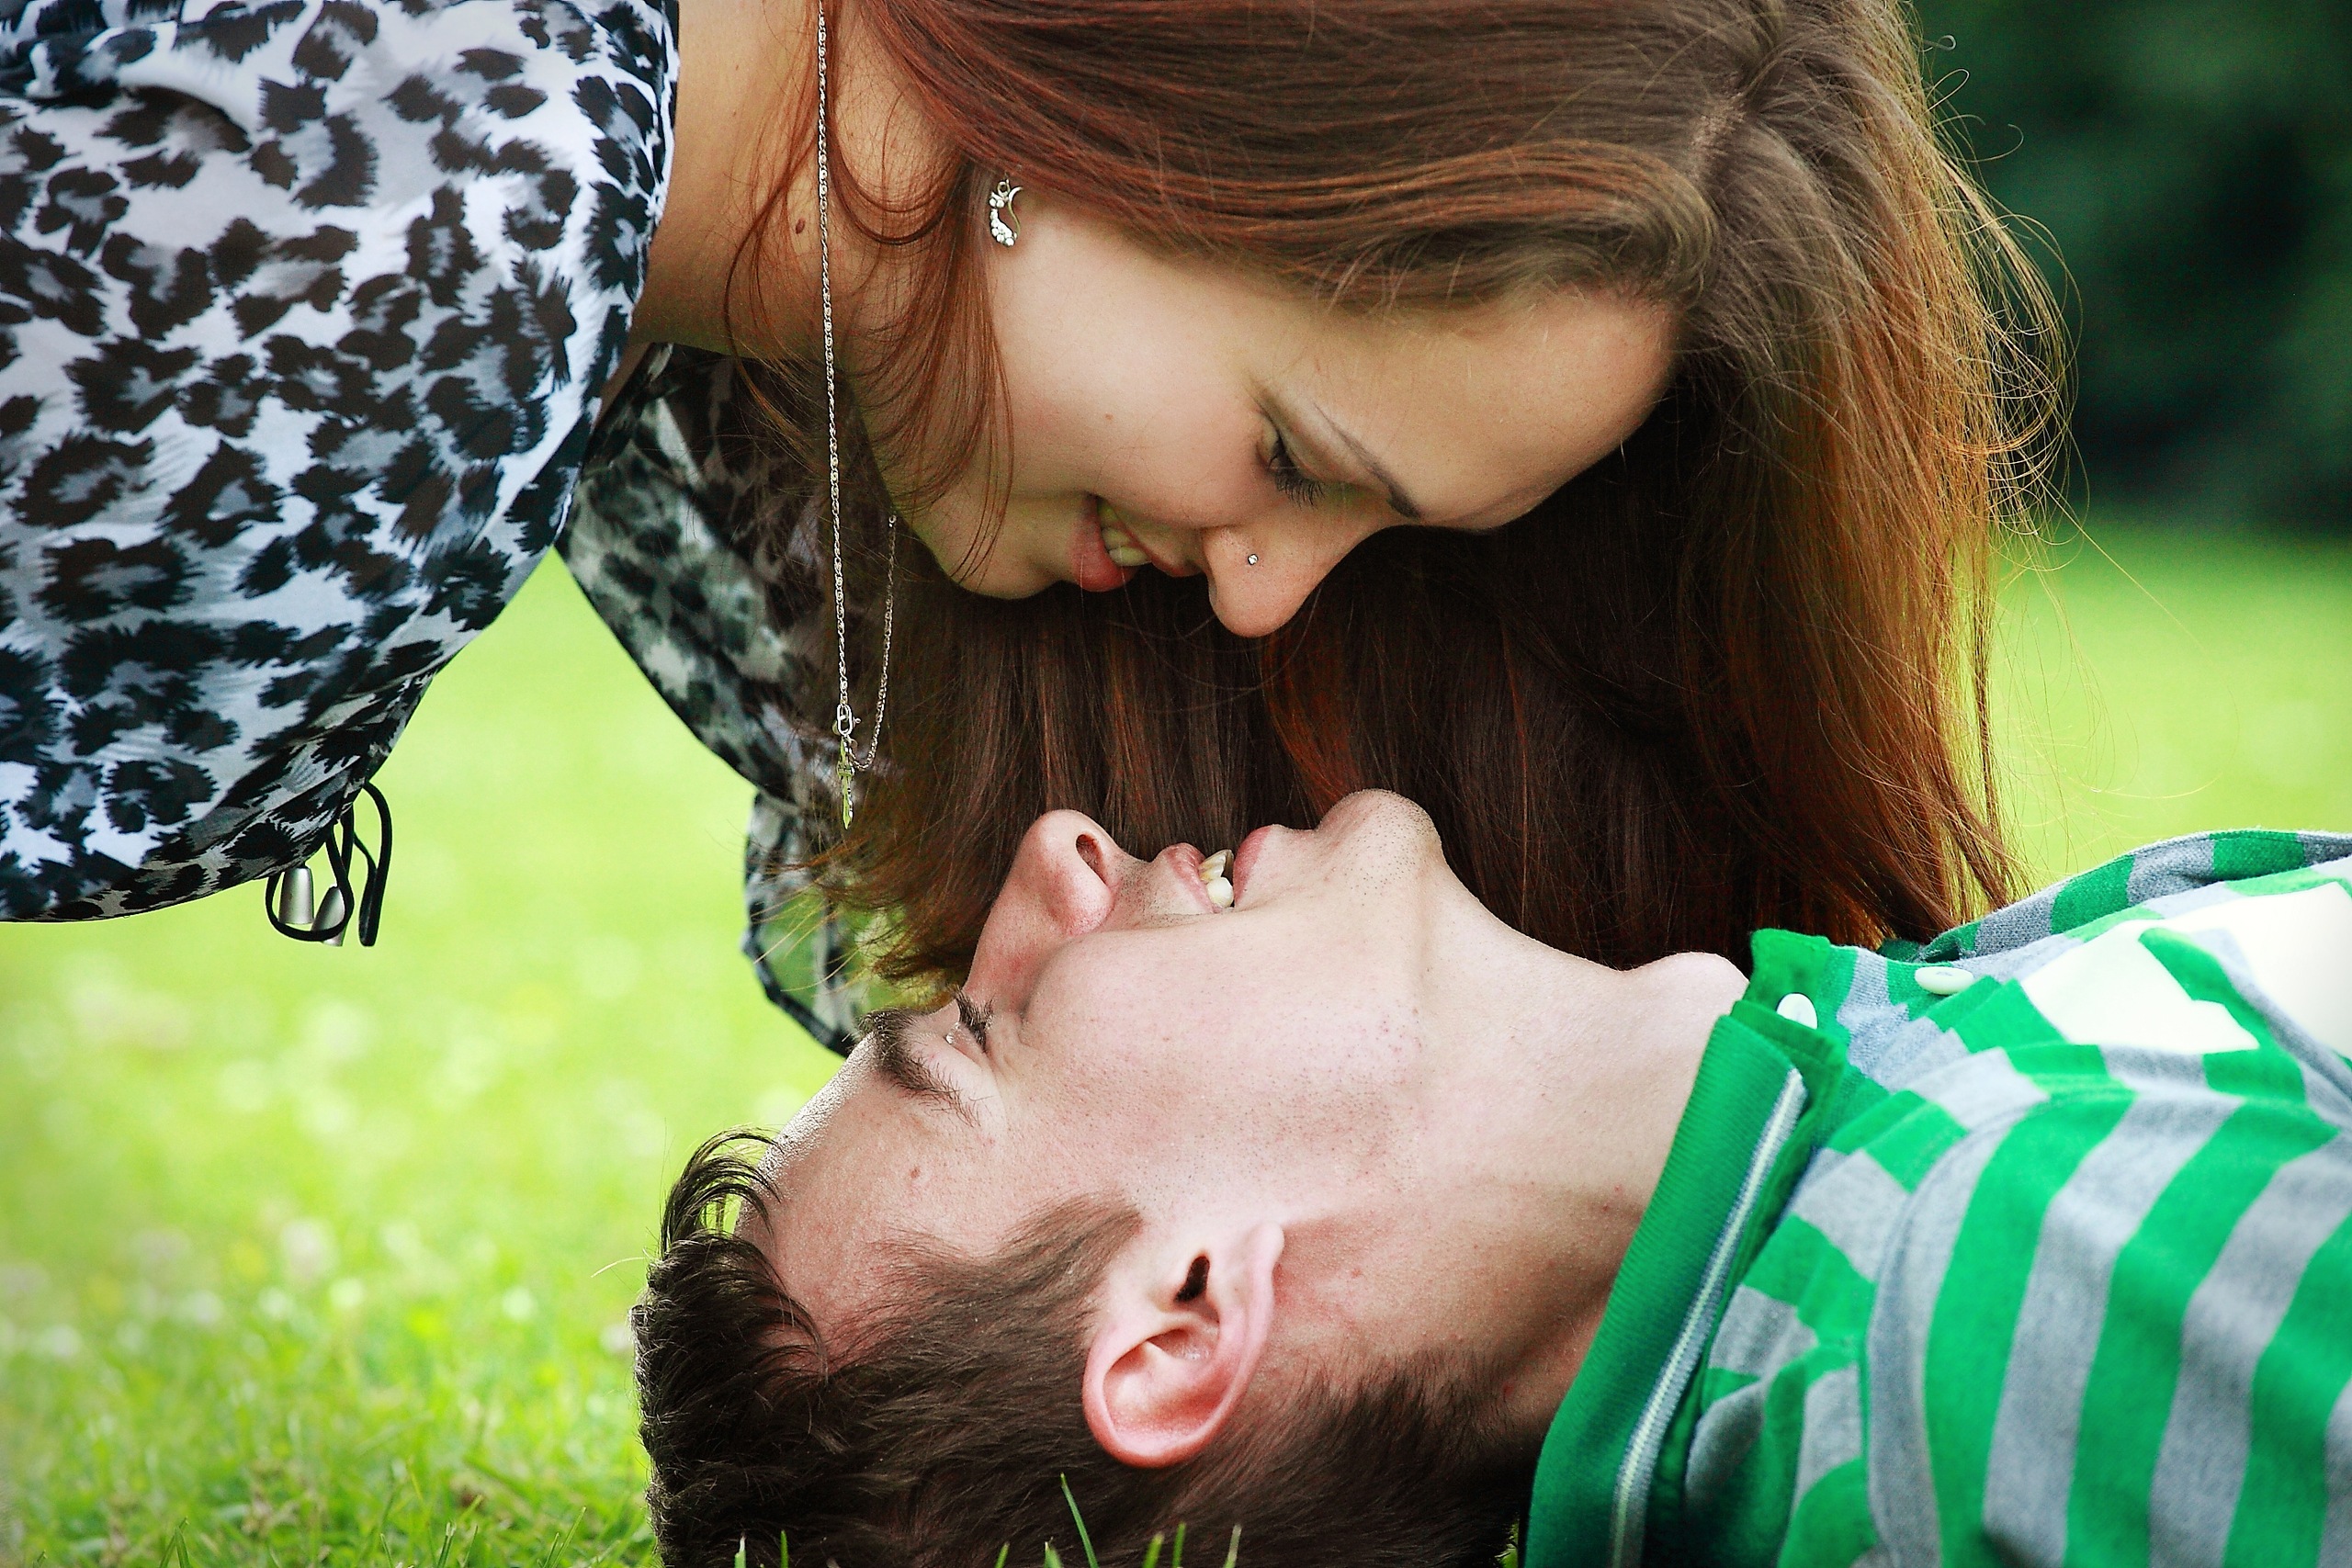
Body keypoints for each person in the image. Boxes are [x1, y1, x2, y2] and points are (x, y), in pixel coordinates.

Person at [0, 0, 2055, 1045]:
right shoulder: (405, 225)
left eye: (1387, 536)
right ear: (1106, 117)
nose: (1263, 595)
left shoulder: (671, 215)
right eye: (1292, 452)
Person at [633, 792, 2352, 1567]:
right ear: (1183, 1321)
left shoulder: (1902, 1112)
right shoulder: (2009, 1315)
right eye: (987, 1033)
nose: (1053, 856)